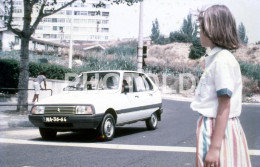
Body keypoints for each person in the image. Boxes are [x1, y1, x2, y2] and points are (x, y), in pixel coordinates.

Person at [190, 5, 251, 167]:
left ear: (212, 30)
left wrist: (215, 148)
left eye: (201, 28)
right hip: (218, 127)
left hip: (216, 129)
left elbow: (224, 104)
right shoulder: (217, 58)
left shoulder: (222, 60)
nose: (199, 32)